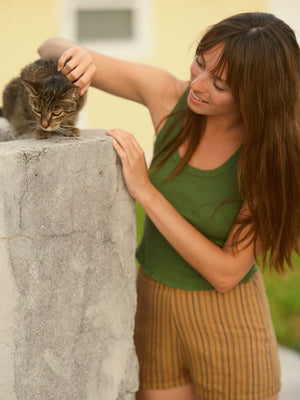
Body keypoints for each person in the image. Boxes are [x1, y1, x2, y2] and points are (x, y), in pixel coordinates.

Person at [38, 12, 300, 400]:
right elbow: (48, 48)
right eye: (200, 61)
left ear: (255, 94)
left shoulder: (268, 156)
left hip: (229, 321)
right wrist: (79, 57)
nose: (197, 84)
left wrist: (145, 190)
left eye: (220, 84)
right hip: (155, 305)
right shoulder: (166, 94)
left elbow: (228, 273)